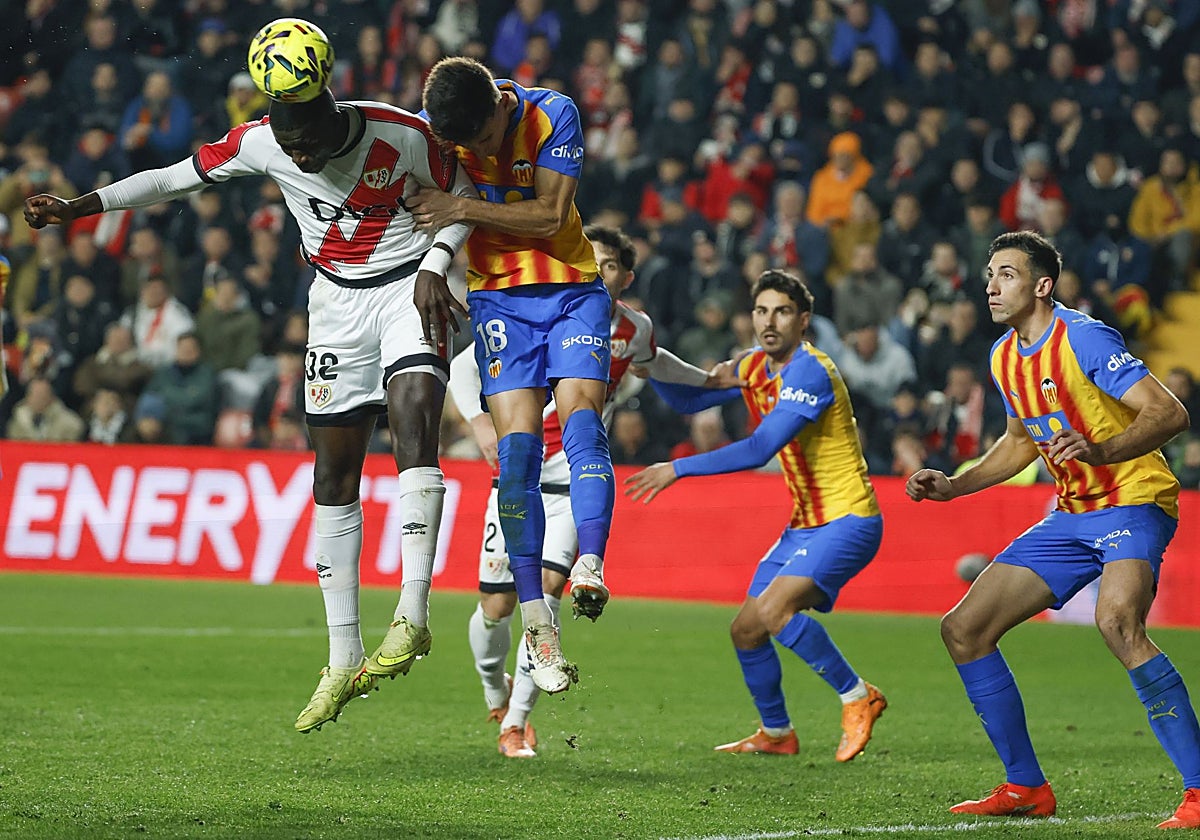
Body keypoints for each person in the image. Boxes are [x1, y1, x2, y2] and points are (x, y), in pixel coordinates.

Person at [24, 46, 478, 734]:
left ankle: (413, 612)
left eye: (305, 141)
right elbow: (170, 179)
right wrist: (80, 207)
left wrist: (440, 261)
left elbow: (467, 199)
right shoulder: (262, 142)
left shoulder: (400, 134)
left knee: (414, 427)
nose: (296, 155)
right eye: (286, 142)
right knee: (332, 477)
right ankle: (342, 654)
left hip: (407, 286)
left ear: (328, 109)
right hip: (333, 306)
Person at [905, 231, 1199, 829]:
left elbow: (1169, 412)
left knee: (1116, 621)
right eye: (990, 273)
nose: (991, 285)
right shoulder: (1003, 356)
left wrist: (1100, 450)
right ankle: (1025, 788)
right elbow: (1018, 443)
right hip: (1071, 515)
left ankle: (1198, 790)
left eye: (1007, 274)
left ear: (1041, 285)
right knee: (964, 630)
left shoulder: (1084, 338)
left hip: (1134, 502)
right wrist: (956, 485)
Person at [448, 224, 741, 757]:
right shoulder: (536, 307)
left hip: (574, 481)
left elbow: (658, 364)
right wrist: (478, 422)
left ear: (624, 278)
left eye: (607, 265)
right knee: (494, 609)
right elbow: (463, 367)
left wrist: (708, 381)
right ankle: (495, 689)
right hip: (520, 478)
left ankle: (516, 723)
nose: (595, 270)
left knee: (551, 592)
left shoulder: (630, 329)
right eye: (591, 259)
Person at [410, 56, 617, 696]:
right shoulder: (436, 134)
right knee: (519, 454)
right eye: (467, 147)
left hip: (572, 289)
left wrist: (459, 205)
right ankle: (538, 626)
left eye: (489, 139)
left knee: (582, 421)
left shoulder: (552, 112)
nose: (482, 152)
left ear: (501, 106)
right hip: (499, 301)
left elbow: (552, 217)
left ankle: (591, 562)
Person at [625, 269, 887, 762]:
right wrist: (647, 359)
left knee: (773, 612)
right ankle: (776, 733)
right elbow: (694, 393)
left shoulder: (810, 370)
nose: (770, 321)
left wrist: (677, 468)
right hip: (805, 523)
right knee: (746, 630)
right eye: (762, 311)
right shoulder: (753, 366)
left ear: (803, 320)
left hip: (849, 519)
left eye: (782, 312)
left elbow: (760, 447)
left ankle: (858, 696)